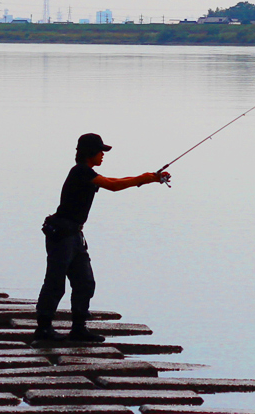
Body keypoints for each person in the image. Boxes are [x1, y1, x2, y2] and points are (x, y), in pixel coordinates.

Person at [34, 132, 168, 344]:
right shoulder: (80, 171)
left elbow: (113, 181)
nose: (103, 155)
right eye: (101, 151)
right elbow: (113, 186)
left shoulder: (88, 173)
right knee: (55, 283)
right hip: (62, 236)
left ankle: (78, 329)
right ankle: (43, 330)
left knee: (85, 282)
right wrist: (143, 179)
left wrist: (147, 178)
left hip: (75, 236)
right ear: (90, 153)